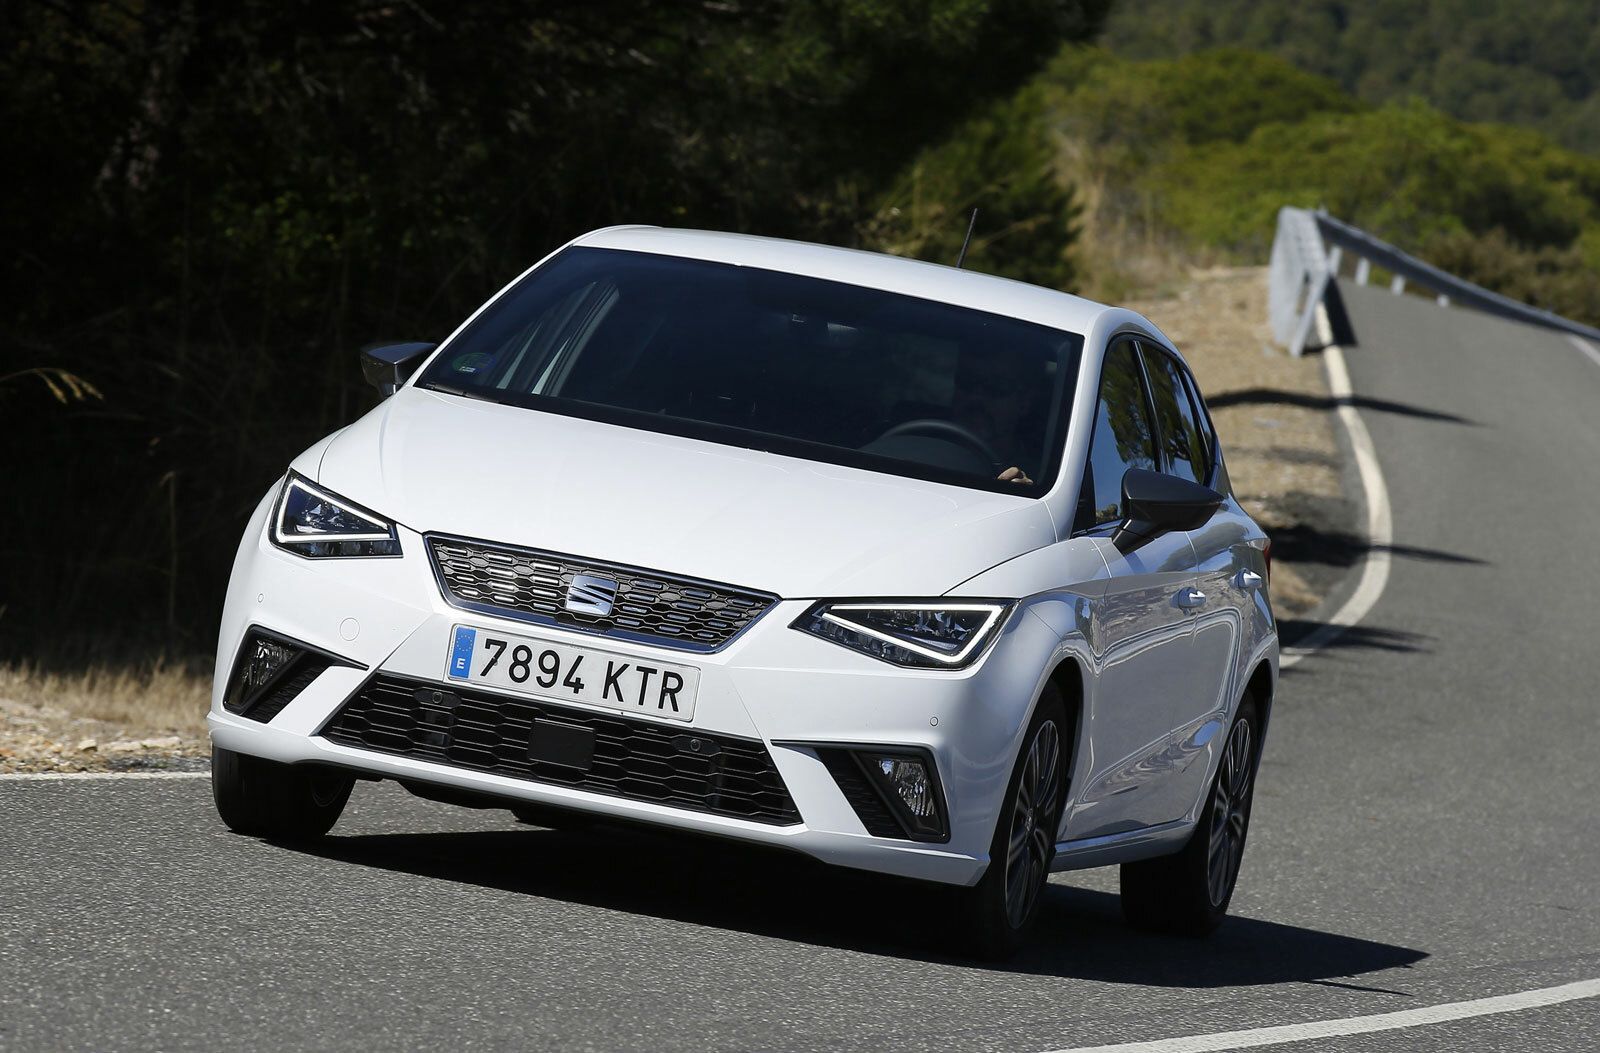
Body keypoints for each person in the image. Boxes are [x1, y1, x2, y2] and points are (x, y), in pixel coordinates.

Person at [950, 349, 1043, 485]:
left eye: (996, 386)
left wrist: (1019, 491)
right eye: (967, 381)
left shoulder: (1046, 481)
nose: (976, 397)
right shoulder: (923, 449)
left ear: (1024, 401)